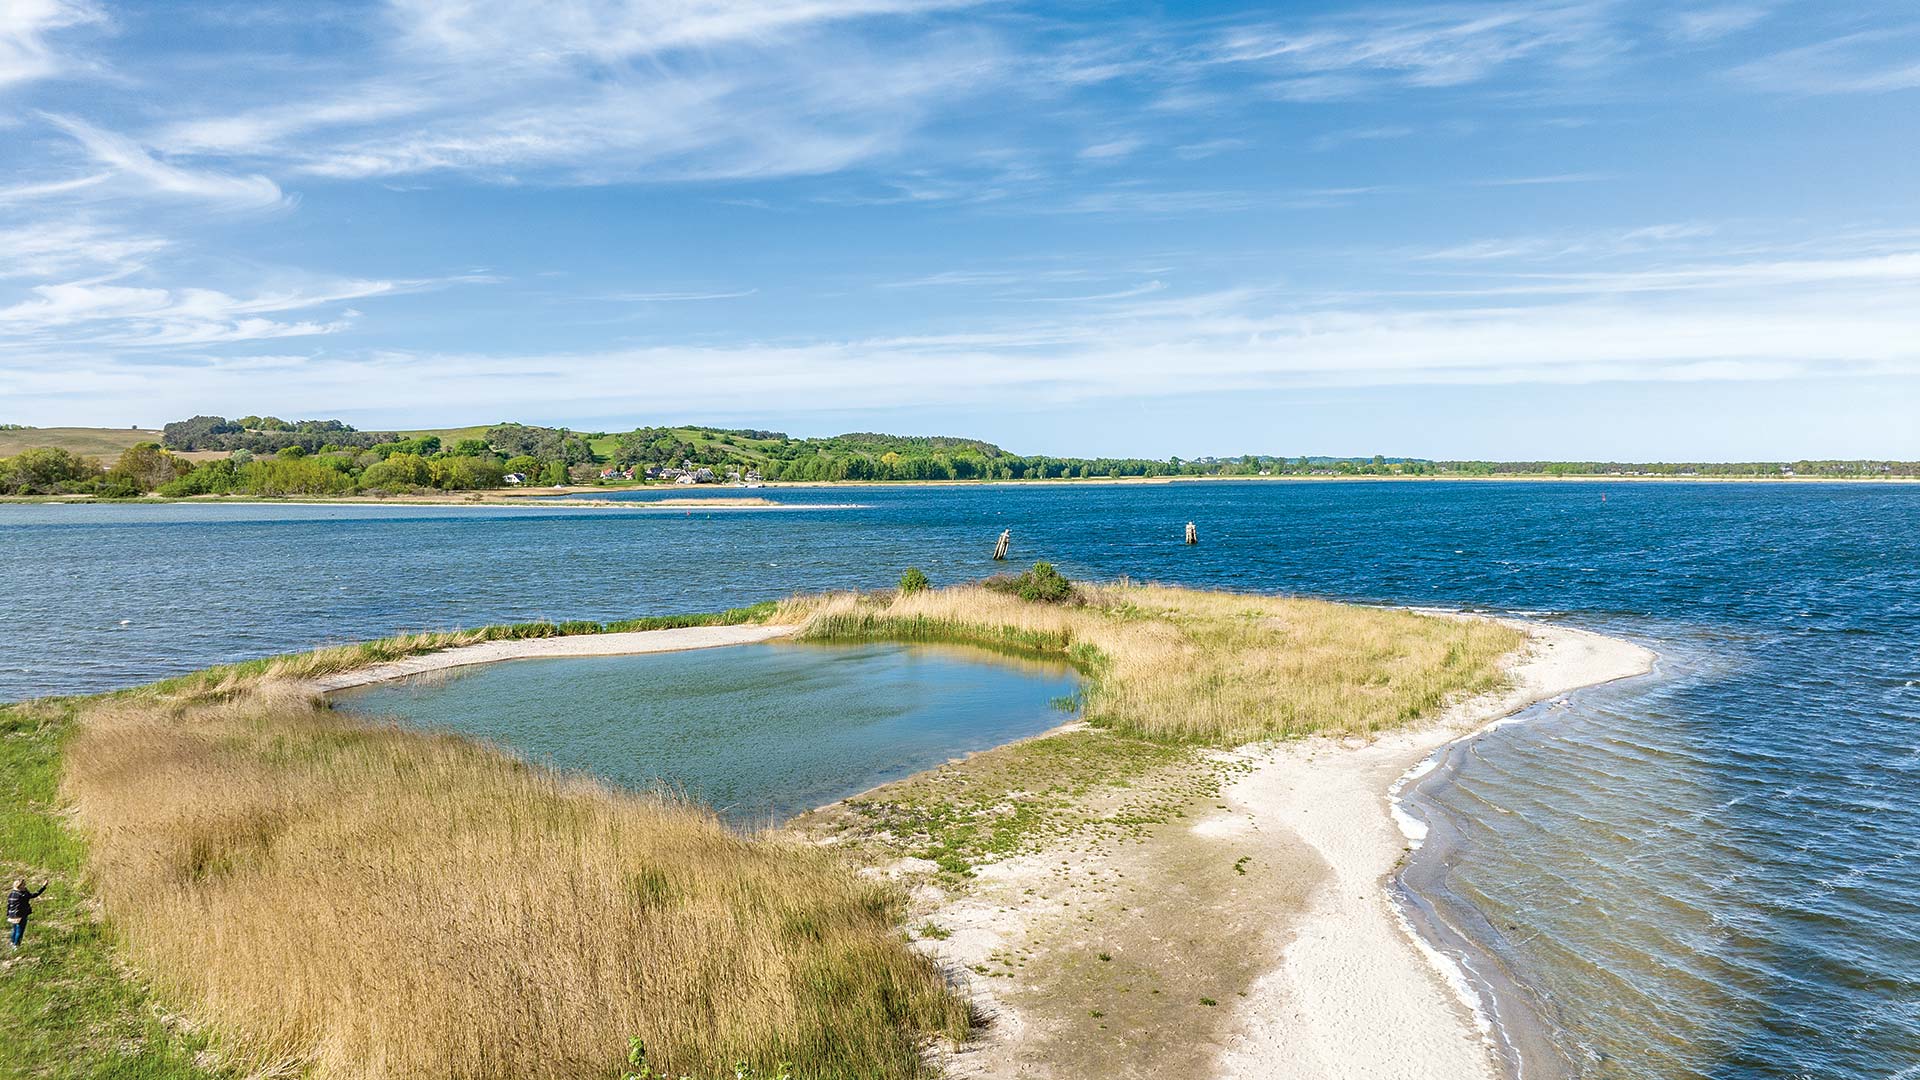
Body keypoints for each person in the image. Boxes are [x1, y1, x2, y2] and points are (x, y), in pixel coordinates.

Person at [6, 879, 46, 949]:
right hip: (20, 915)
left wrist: (8, 914)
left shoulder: (11, 894)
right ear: (20, 886)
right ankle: (16, 945)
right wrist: (43, 887)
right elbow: (34, 895)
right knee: (20, 930)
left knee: (14, 929)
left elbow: (9, 905)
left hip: (12, 915)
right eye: (24, 885)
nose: (25, 886)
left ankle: (12, 943)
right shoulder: (22, 895)